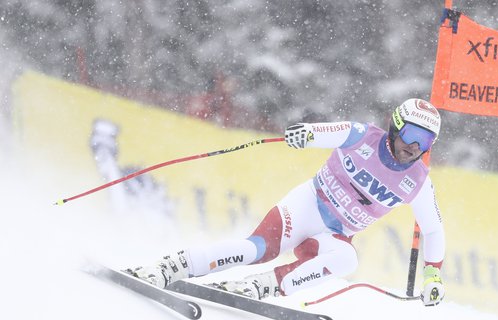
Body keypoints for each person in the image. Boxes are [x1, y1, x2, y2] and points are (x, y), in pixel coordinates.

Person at [129, 98, 446, 306]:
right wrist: (306, 134)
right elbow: (328, 132)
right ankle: (170, 266)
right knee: (256, 250)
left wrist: (433, 276)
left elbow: (433, 230)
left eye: (427, 141)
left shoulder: (418, 181)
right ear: (396, 127)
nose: (415, 146)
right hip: (309, 205)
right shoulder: (362, 136)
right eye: (412, 134)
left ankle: (263, 286)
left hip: (334, 235)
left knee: (347, 260)